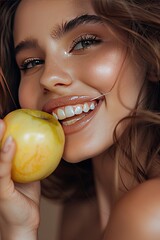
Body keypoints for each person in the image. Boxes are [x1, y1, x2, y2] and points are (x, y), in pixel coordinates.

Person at [0, 0, 160, 239]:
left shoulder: (150, 214)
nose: (49, 78)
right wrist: (18, 229)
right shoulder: (79, 209)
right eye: (32, 63)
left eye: (85, 42)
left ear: (151, 53)